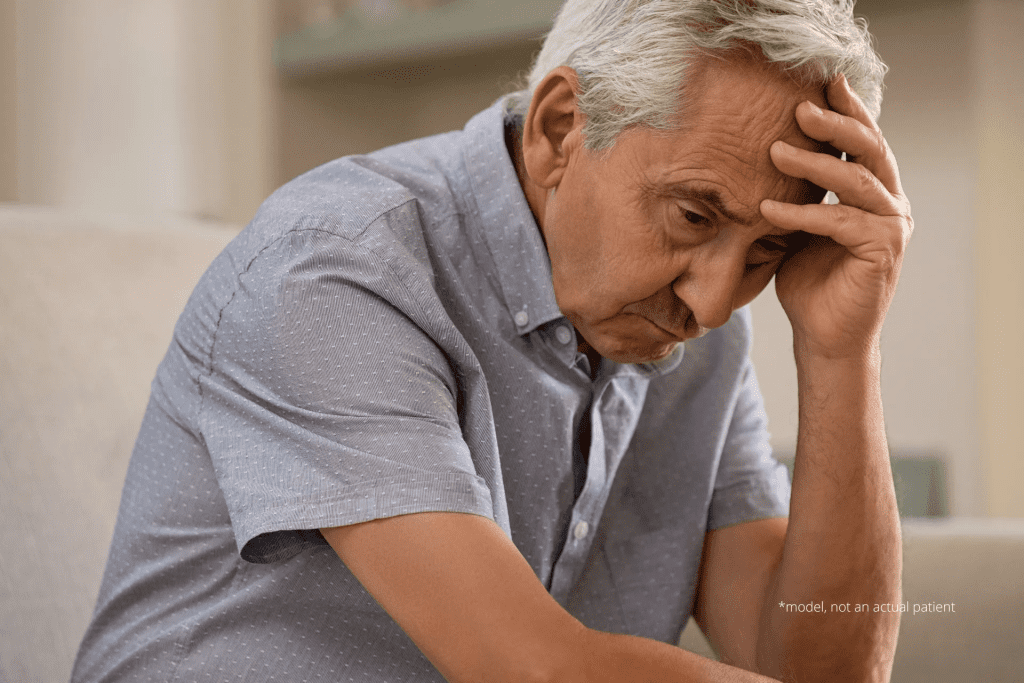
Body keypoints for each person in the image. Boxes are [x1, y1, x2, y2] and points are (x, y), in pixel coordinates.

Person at [72, 0, 913, 681]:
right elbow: (529, 669)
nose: (717, 299)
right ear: (560, 127)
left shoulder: (697, 334)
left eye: (765, 252)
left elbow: (817, 666)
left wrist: (843, 352)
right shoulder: (336, 269)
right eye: (694, 216)